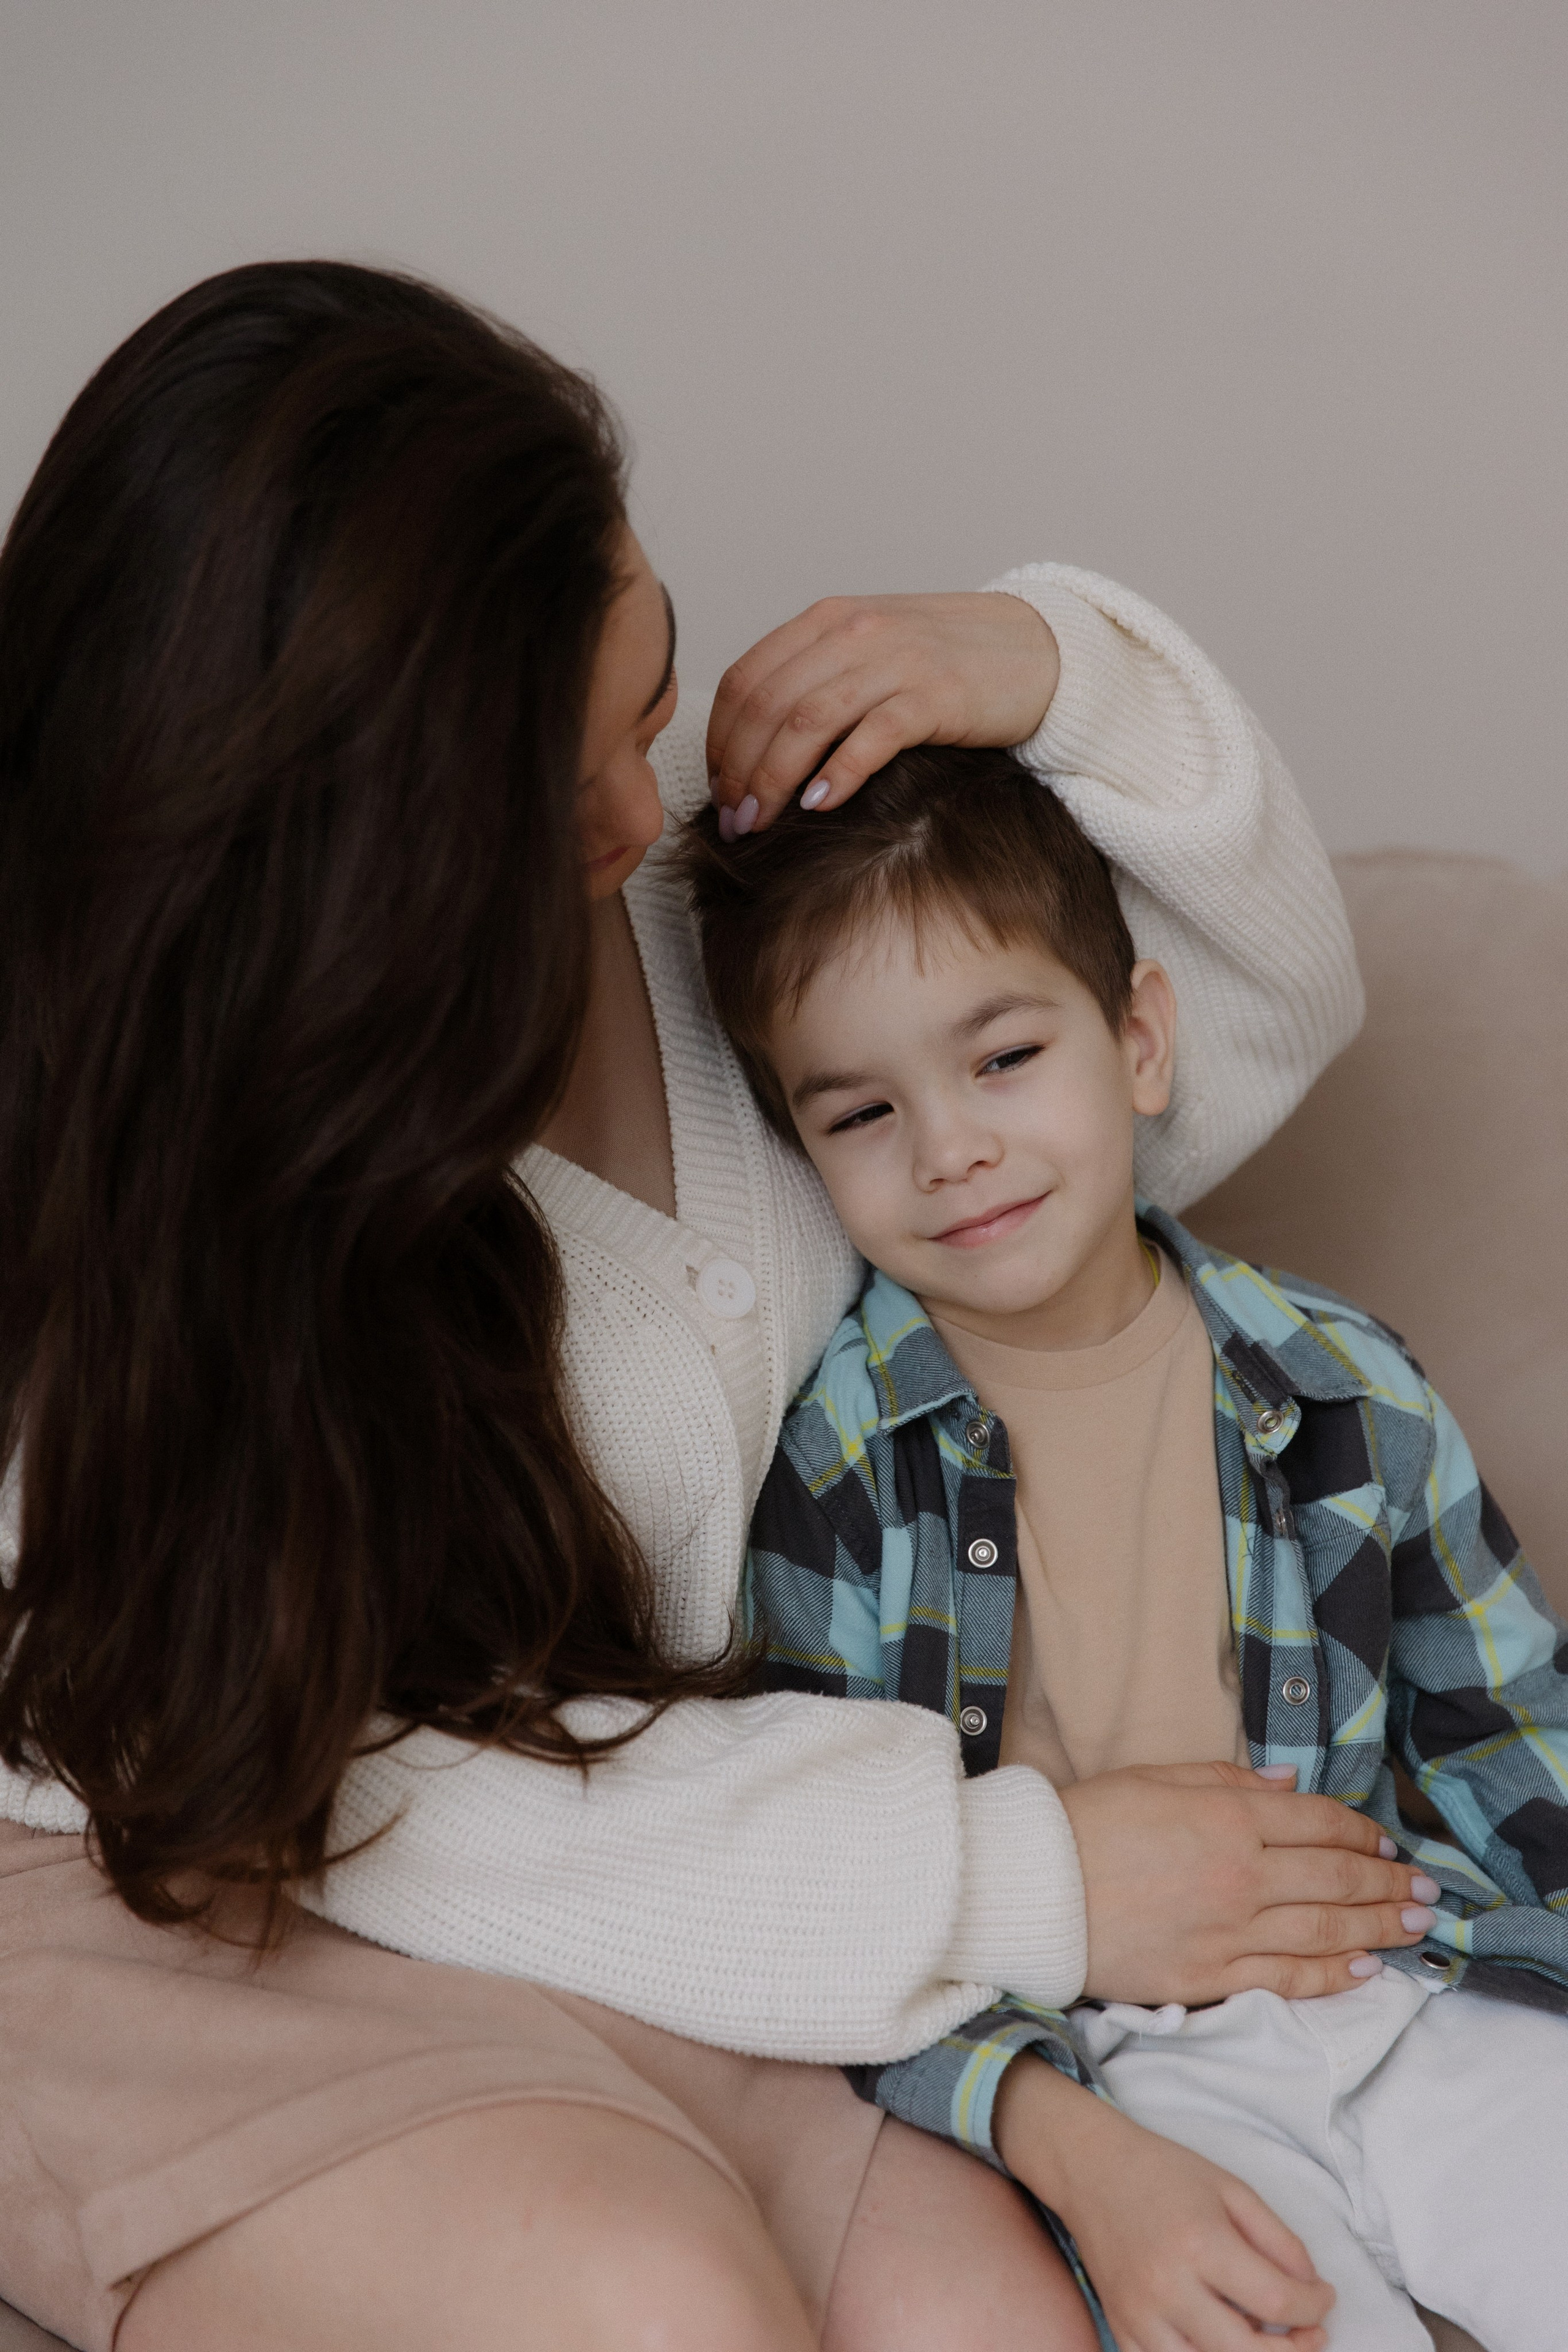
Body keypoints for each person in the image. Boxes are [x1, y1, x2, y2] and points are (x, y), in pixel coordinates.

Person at [0, 257, 1406, 2352]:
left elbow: (1230, 1026)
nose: (642, 823)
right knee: (657, 2305)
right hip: (160, 1878)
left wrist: (1038, 663)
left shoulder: (698, 931)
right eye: (537, 800)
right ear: (342, 869)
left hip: (625, 1864)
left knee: (998, 2324)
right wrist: (1032, 1882)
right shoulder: (180, 1208)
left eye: (642, 704)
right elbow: (339, 1779)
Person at [686, 745, 1568, 2352]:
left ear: (1139, 1043)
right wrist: (1026, 2105)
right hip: (1122, 2069)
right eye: (864, 1110)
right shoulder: (830, 1474)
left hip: (1395, 1976)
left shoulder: (1344, 1385)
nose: (949, 1146)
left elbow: (1511, 1737)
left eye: (1005, 1057)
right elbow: (840, 1899)